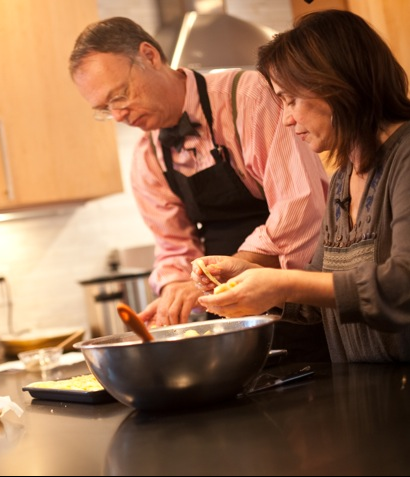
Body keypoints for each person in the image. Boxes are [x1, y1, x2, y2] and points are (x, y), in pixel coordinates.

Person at [69, 17, 330, 360]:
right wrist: (176, 287)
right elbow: (173, 245)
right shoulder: (147, 157)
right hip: (228, 322)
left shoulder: (248, 98)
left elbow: (301, 207)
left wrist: (222, 275)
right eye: (105, 109)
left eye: (119, 96)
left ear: (149, 56)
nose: (118, 115)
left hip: (299, 305)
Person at [192, 10, 410, 362]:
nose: (287, 119)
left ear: (338, 85)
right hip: (367, 388)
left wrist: (282, 283)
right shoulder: (343, 180)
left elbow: (403, 286)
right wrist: (255, 277)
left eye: (291, 100)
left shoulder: (406, 158)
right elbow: (320, 297)